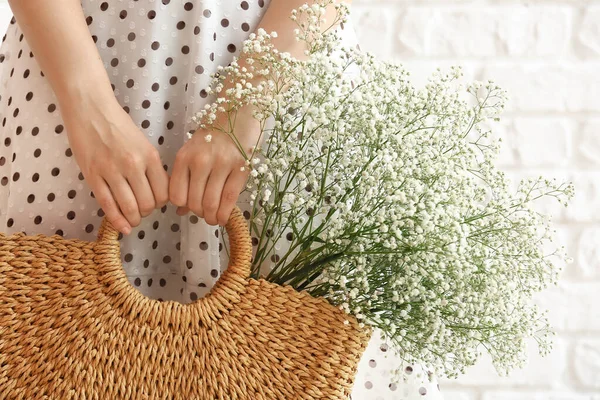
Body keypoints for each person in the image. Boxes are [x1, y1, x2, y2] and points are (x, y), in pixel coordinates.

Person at [0, 0, 443, 398]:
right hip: (73, 67)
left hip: (282, 68)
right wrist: (88, 106)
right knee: (46, 348)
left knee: (308, 356)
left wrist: (246, 105)